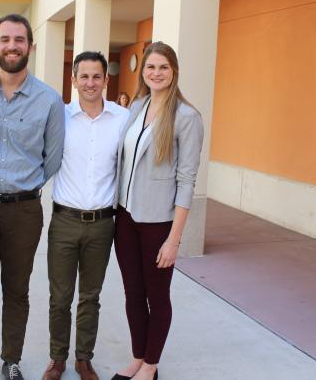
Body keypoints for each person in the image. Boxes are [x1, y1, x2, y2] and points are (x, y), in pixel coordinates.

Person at [0, 13, 65, 380]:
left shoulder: (49, 100)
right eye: (4, 39)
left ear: (30, 47)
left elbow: (52, 158)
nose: (11, 46)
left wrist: (27, 183)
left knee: (17, 289)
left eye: (19, 39)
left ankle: (11, 360)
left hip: (25, 209)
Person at [112, 42, 203, 380]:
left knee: (156, 294)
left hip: (158, 224)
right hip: (125, 217)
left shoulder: (186, 117)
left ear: (174, 71)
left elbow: (187, 180)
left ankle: (150, 366)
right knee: (132, 292)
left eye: (163, 67)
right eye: (150, 67)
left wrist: (174, 240)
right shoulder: (137, 106)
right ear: (143, 72)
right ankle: (138, 356)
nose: (156, 73)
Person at [43, 51, 129, 380]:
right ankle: (57, 358)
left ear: (106, 80)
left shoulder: (123, 119)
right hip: (64, 221)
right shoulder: (59, 117)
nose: (90, 83)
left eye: (97, 77)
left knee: (90, 296)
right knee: (60, 296)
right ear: (74, 80)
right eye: (84, 77)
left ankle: (83, 358)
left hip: (102, 224)